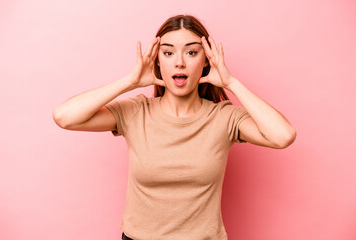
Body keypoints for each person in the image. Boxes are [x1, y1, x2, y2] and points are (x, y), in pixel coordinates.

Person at [53, 14, 296, 240]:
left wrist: (231, 82)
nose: (179, 63)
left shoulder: (224, 117)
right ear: (157, 61)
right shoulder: (137, 112)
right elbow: (65, 117)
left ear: (206, 61)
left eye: (191, 53)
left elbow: (283, 136)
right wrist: (130, 82)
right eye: (168, 53)